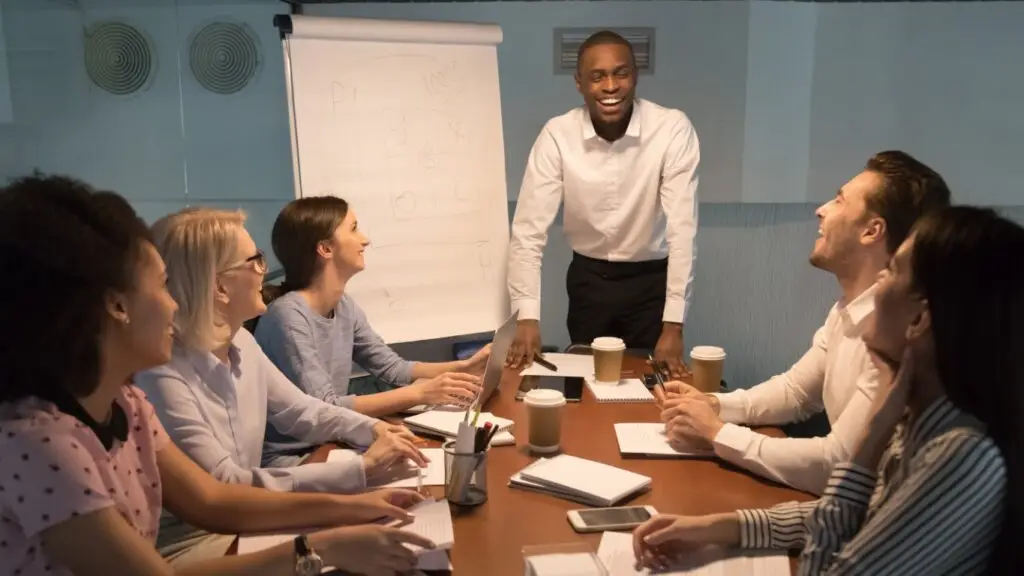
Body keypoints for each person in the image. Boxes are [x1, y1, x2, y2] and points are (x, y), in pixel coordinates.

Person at [0, 174, 436, 576]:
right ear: (117, 306)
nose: (173, 302)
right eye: (161, 284)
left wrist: (354, 509)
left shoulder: (126, 403)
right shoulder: (40, 444)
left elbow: (213, 500)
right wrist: (322, 546)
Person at [633, 205, 1020, 575]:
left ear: (920, 319)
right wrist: (720, 527)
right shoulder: (924, 423)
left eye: (892, 272)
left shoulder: (958, 454)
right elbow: (858, 514)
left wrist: (871, 438)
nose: (878, 284)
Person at [136, 207, 427, 564]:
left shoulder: (241, 339)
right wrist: (358, 471)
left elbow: (301, 410)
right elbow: (226, 487)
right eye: (255, 261)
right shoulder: (161, 374)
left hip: (250, 518)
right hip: (199, 543)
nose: (265, 271)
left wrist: (374, 429)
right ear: (220, 286)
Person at [659, 151, 951, 494]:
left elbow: (837, 464)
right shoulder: (848, 308)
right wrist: (715, 404)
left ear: (872, 231)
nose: (822, 209)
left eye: (839, 200)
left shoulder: (895, 336)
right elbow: (796, 392)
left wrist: (717, 433)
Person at [505, 29, 699, 378]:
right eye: (598, 76)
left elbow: (682, 232)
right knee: (590, 385)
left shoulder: (671, 128)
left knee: (651, 388)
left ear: (635, 77)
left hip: (651, 283)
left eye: (620, 73)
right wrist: (527, 317)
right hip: (588, 282)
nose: (610, 86)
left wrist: (674, 324)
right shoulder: (557, 134)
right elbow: (528, 232)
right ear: (579, 83)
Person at [253, 197, 487, 438]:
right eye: (353, 229)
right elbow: (325, 408)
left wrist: (465, 367)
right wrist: (421, 393)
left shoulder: (344, 306)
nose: (365, 239)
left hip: (334, 439)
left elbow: (393, 369)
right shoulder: (287, 317)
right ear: (325, 249)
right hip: (299, 456)